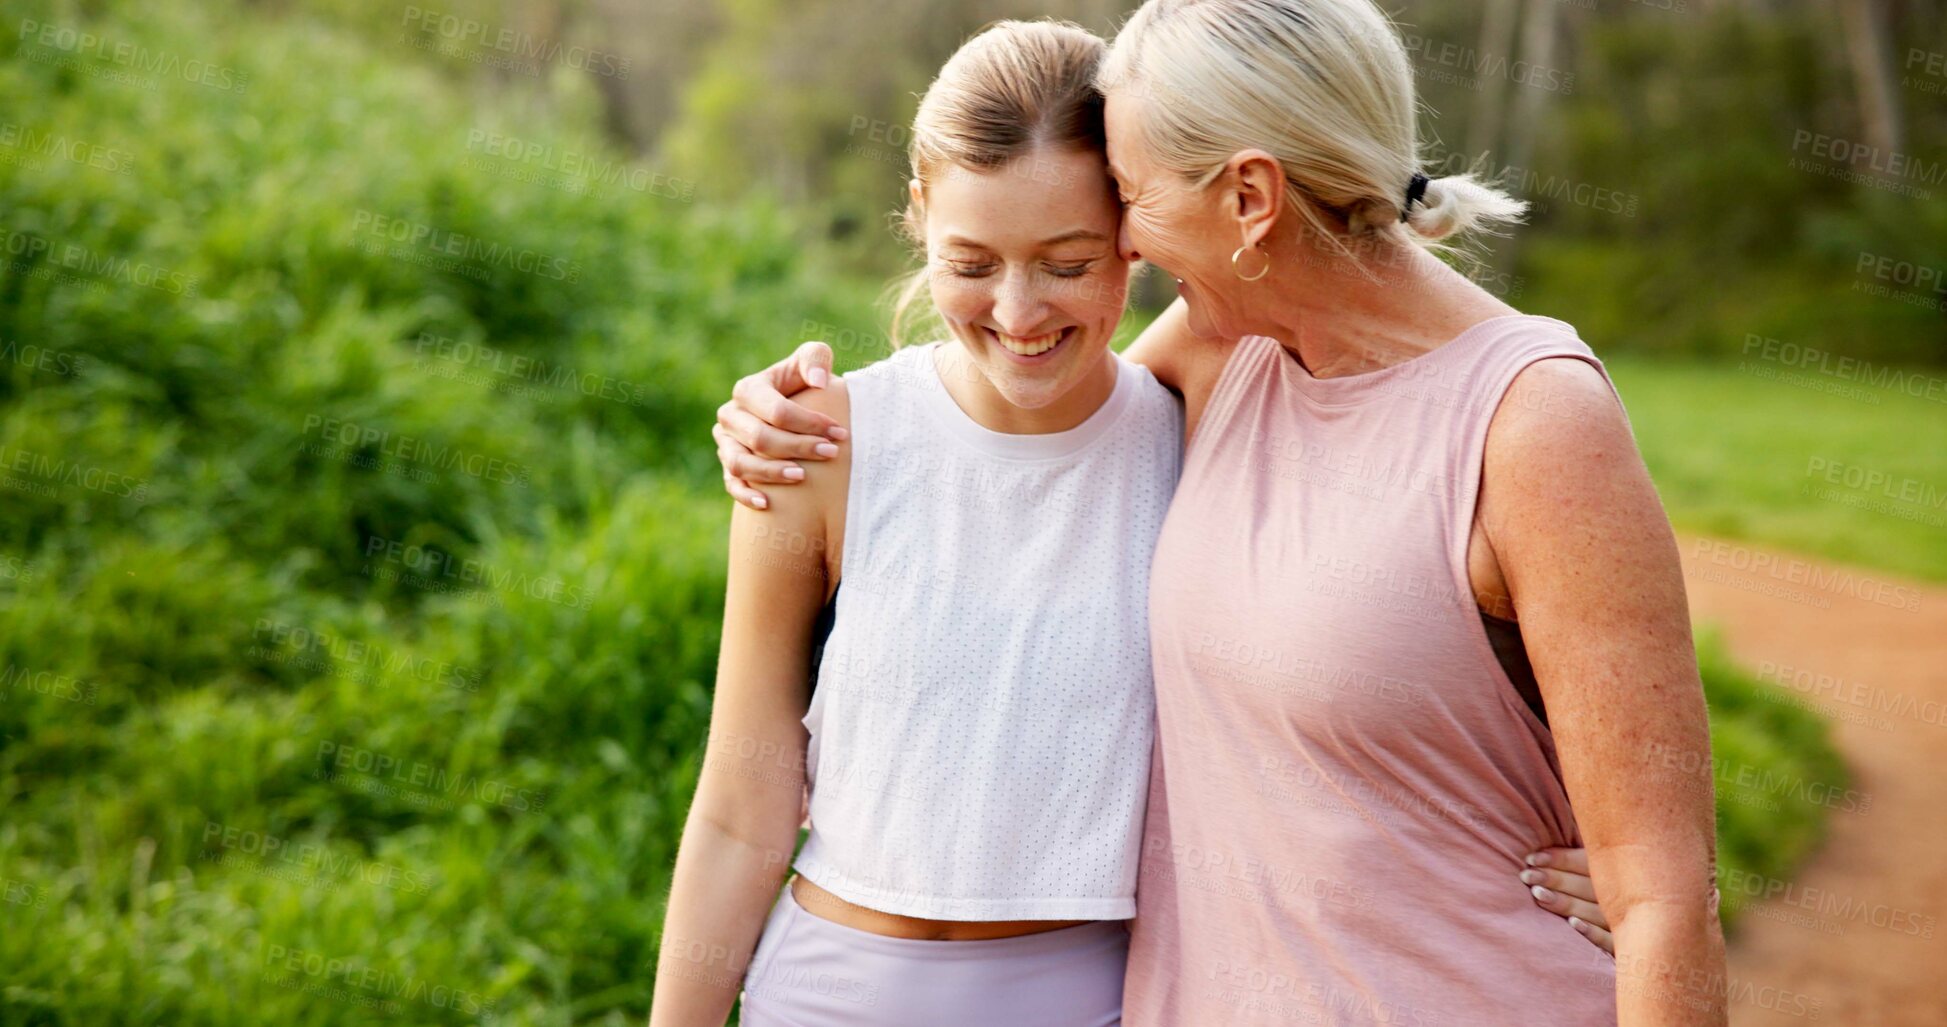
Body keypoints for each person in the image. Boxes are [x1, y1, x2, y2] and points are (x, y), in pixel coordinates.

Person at [711, 2, 1727, 1024]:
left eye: (1133, 196)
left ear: (1250, 197)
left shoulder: (1535, 422)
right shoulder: (1222, 356)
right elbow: (1011, 433)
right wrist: (790, 422)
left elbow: (1662, 900)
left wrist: (1656, 900)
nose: (1128, 241)